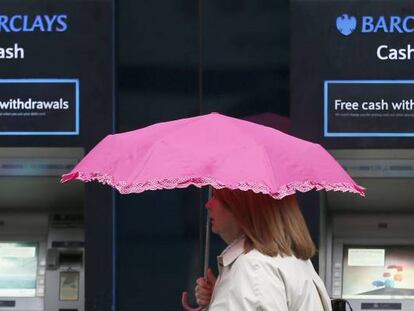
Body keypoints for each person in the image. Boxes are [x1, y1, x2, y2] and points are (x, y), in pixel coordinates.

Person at [194, 188, 332, 311]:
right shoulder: (293, 260)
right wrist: (222, 296)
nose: (208, 205)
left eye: (216, 195)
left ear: (241, 204)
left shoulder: (252, 267)